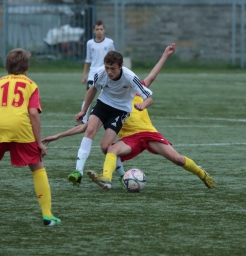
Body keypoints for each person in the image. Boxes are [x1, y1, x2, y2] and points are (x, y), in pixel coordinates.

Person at [86, 43, 215, 190]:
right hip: (130, 138)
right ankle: (106, 179)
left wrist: (165, 55)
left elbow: (152, 76)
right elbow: (95, 120)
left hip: (148, 133)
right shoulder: (110, 101)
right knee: (111, 149)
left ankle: (201, 173)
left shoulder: (135, 89)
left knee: (177, 159)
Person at [0, 48, 61, 226]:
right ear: (27, 68)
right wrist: (39, 143)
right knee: (37, 168)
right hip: (19, 127)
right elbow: (33, 114)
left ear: (7, 67)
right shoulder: (30, 84)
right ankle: (47, 215)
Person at [69, 50, 153, 186]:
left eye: (113, 68)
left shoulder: (130, 77)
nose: (109, 72)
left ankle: (121, 176)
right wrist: (84, 110)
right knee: (90, 129)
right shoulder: (100, 72)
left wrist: (143, 104)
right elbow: (93, 90)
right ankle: (78, 172)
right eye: (107, 68)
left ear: (121, 66)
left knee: (105, 147)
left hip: (120, 110)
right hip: (103, 104)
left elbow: (149, 98)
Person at [80, 20, 115, 124]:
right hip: (93, 73)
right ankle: (83, 119)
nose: (99, 31)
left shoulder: (109, 42)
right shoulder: (90, 43)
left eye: (101, 29)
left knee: (109, 95)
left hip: (106, 72)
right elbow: (87, 59)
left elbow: (114, 57)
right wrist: (84, 75)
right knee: (89, 94)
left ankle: (110, 117)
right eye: (97, 29)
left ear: (104, 30)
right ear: (94, 31)